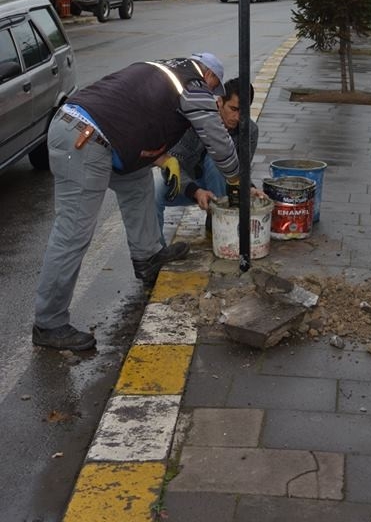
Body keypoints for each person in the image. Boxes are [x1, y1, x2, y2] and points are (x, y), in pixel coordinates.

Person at [33, 52, 239, 353]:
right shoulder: (193, 85)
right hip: (84, 140)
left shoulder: (166, 69)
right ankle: (48, 322)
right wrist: (237, 179)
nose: (213, 98)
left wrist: (163, 157)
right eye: (215, 91)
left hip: (98, 136)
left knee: (138, 183)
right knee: (73, 233)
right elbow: (216, 136)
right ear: (210, 76)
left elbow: (136, 115)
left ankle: (148, 255)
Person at [156, 77, 262, 242]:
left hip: (222, 189)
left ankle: (218, 225)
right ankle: (156, 251)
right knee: (151, 196)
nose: (238, 117)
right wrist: (195, 191)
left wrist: (249, 188)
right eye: (233, 109)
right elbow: (171, 165)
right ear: (219, 102)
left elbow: (241, 170)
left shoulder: (250, 131)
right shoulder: (194, 122)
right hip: (187, 183)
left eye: (244, 111)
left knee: (220, 160)